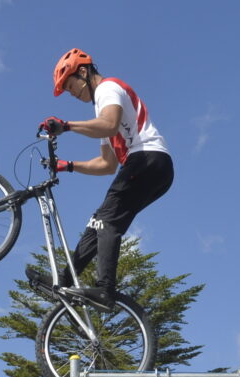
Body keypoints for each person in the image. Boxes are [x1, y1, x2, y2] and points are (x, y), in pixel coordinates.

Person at [38, 48, 174, 309]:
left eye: (71, 86)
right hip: (155, 168)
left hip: (147, 158)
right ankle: (65, 280)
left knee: (107, 221)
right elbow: (106, 164)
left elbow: (109, 124)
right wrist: (68, 166)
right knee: (97, 223)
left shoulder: (107, 89)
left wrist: (66, 126)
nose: (73, 94)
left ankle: (105, 291)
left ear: (83, 71)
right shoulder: (101, 111)